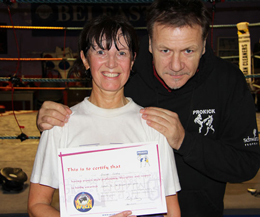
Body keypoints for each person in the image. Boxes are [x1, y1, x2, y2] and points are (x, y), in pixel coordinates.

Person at [36, 0, 260, 216]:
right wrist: (52, 122)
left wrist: (185, 142)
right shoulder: (123, 72)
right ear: (150, 44)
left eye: (188, 51)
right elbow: (93, 120)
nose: (175, 65)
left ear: (203, 46)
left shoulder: (227, 81)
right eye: (165, 51)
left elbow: (247, 164)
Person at [28, 15, 181, 217]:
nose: (111, 63)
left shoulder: (153, 125)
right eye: (101, 51)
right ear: (84, 59)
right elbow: (36, 205)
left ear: (132, 60)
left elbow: (171, 211)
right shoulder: (60, 124)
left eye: (122, 53)